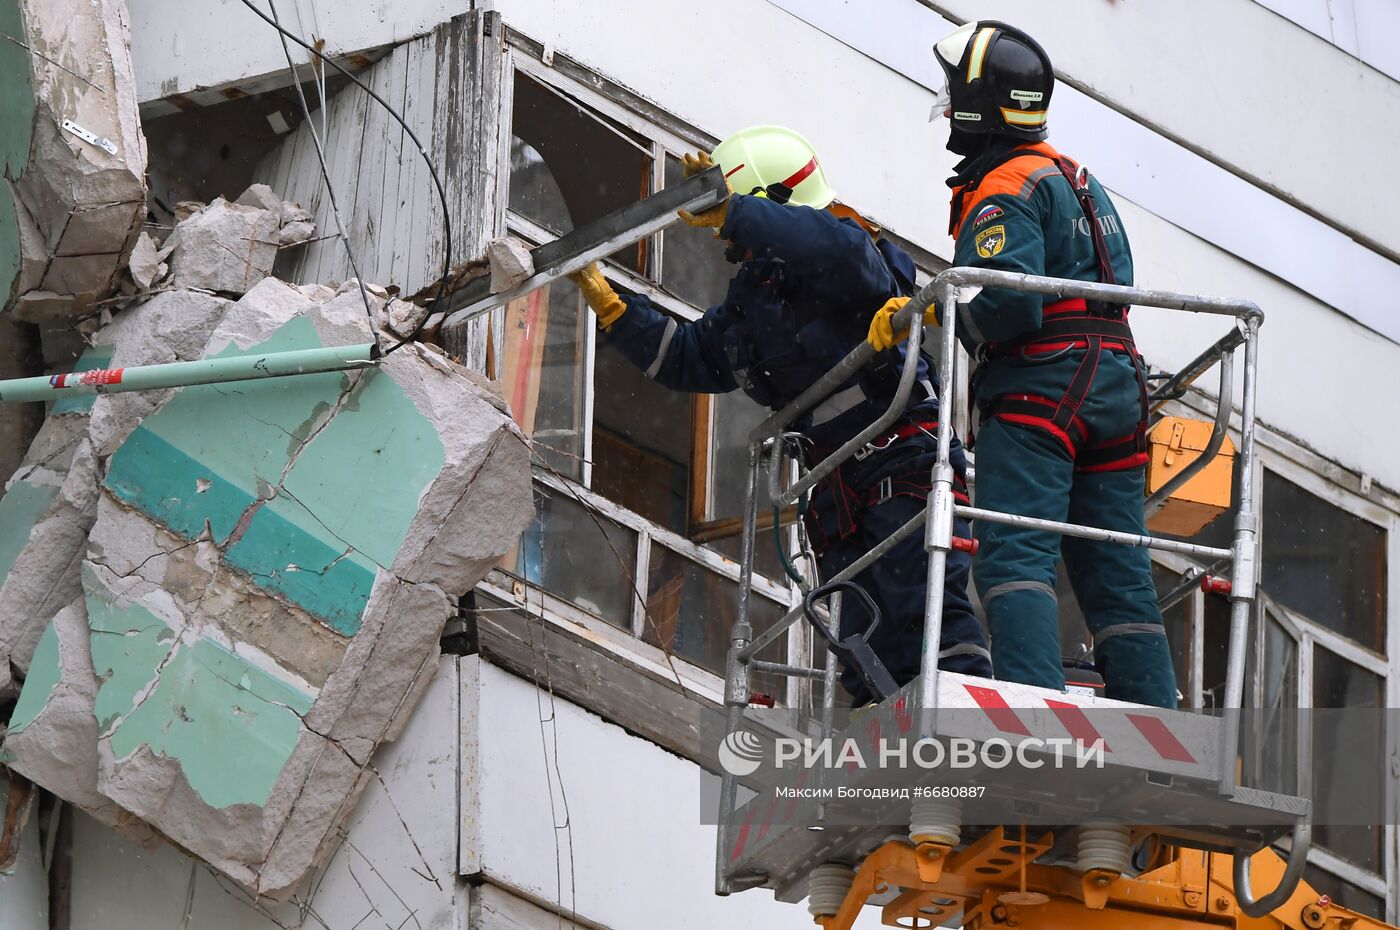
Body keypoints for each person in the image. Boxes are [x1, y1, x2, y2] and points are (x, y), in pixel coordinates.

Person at [567, 125, 992, 706]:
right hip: (840, 491)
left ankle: (960, 729)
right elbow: (693, 356)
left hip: (903, 466)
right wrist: (617, 309)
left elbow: (830, 248)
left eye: (736, 224)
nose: (729, 245)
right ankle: (886, 755)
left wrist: (733, 211)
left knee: (925, 615)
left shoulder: (848, 249)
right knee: (863, 641)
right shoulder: (757, 298)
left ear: (774, 202)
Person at [885, 21, 1176, 706]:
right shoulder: (1078, 179)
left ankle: (1034, 717)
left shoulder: (1004, 185)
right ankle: (1155, 713)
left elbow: (1011, 302)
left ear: (976, 104)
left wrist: (941, 312)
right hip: (1115, 384)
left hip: (1041, 386)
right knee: (1117, 569)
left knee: (1017, 558)